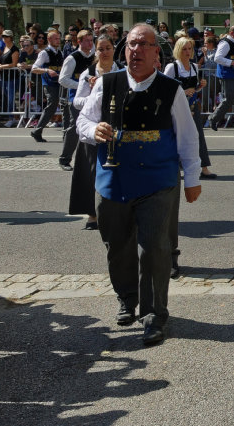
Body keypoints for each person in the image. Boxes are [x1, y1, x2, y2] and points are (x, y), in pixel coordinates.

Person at [77, 24, 202, 346]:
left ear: (156, 54)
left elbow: (188, 138)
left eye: (144, 45)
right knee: (117, 246)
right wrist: (95, 131)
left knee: (155, 248)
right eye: (131, 44)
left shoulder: (170, 89)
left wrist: (192, 178)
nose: (136, 50)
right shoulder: (107, 83)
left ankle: (154, 315)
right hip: (113, 178)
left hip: (158, 180)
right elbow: (83, 121)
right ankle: (126, 298)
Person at [69, 35, 119, 230]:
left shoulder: (121, 70)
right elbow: (76, 101)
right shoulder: (87, 73)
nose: (104, 52)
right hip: (93, 126)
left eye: (107, 48)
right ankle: (92, 214)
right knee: (91, 171)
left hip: (115, 127)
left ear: (113, 49)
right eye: (100, 49)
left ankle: (115, 211)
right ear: (95, 51)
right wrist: (94, 94)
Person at [163, 36, 212, 180]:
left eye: (189, 48)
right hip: (178, 107)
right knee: (178, 137)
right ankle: (175, 168)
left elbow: (194, 90)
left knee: (198, 136)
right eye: (184, 49)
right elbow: (165, 88)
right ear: (178, 50)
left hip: (192, 105)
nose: (187, 51)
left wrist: (199, 87)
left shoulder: (194, 67)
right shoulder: (172, 67)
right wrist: (183, 92)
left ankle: (204, 167)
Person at [57, 31, 97, 171]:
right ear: (79, 42)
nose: (90, 43)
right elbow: (62, 79)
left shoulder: (95, 57)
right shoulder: (72, 58)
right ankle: (65, 158)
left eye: (91, 40)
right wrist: (81, 84)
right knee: (74, 128)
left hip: (93, 97)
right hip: (76, 98)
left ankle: (90, 160)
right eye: (86, 40)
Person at [29, 29, 65, 143]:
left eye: (59, 38)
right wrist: (46, 70)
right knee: (52, 105)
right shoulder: (44, 53)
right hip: (49, 84)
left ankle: (66, 133)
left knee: (64, 106)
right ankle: (37, 130)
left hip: (59, 83)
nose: (58, 41)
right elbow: (34, 68)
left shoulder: (60, 53)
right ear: (49, 40)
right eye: (55, 38)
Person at [209, 25, 234, 130]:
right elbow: (217, 58)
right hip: (227, 75)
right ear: (232, 33)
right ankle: (213, 118)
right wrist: (232, 63)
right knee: (228, 99)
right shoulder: (225, 43)